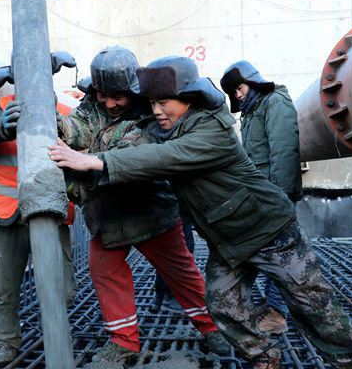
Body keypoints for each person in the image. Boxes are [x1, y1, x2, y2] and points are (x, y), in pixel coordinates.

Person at [49, 56, 352, 369]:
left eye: (163, 102)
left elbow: (165, 157)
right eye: (152, 103)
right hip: (228, 240)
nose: (156, 110)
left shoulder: (211, 127)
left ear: (188, 97)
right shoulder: (165, 127)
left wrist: (94, 161)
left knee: (314, 308)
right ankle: (264, 356)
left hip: (268, 231)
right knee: (223, 306)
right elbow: (130, 143)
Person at [57, 46, 229, 363]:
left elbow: (131, 156)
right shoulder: (92, 103)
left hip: (151, 212)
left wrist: (81, 170)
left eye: (118, 97)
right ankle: (123, 341)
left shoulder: (151, 110)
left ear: (133, 91)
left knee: (181, 273)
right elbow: (79, 127)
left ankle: (213, 327)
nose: (109, 103)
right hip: (107, 216)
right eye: (103, 95)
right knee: (105, 273)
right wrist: (57, 125)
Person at [0, 56, 77, 365]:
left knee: (60, 287)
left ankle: (56, 336)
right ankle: (5, 342)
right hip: (7, 213)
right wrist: (2, 128)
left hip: (50, 210)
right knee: (1, 285)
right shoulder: (3, 107)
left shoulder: (65, 111)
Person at [219, 60, 303, 334]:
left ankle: (277, 314)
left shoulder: (275, 102)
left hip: (274, 194)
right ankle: (269, 307)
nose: (238, 95)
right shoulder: (254, 109)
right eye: (233, 92)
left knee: (281, 255)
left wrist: (281, 196)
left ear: (253, 81)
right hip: (261, 193)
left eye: (240, 88)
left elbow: (283, 150)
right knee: (267, 252)